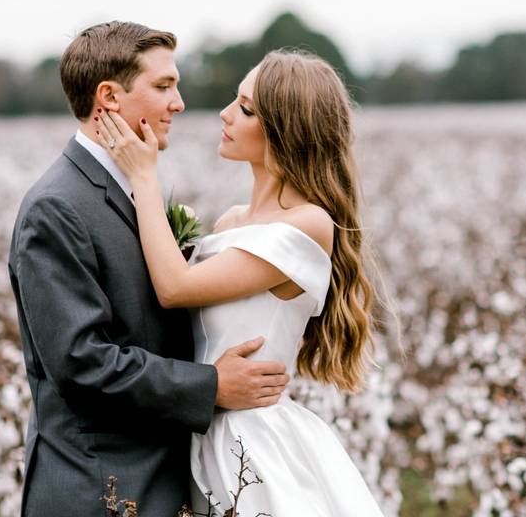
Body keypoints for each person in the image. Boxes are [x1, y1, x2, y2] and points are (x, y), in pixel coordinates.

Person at [7, 21, 292, 517]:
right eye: (163, 87)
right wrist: (212, 386)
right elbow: (81, 364)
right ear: (110, 98)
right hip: (98, 489)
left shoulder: (136, 189)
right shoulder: (56, 207)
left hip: (162, 481)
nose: (178, 103)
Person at [95, 49, 389, 515]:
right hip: (202, 432)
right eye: (235, 101)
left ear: (286, 129)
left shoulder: (307, 225)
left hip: (252, 445)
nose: (226, 114)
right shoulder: (232, 222)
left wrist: (144, 178)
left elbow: (175, 288)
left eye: (247, 109)